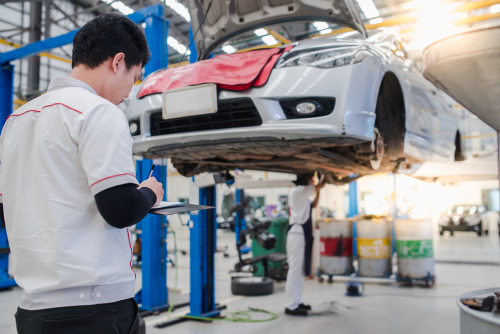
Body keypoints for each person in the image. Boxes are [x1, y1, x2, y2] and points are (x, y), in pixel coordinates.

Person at [0, 13, 162, 334]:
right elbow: (121, 209)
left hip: (34, 313)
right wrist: (149, 193)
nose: (129, 92)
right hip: (95, 309)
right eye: (134, 76)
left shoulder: (16, 120)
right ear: (118, 62)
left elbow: (7, 214)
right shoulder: (98, 111)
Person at [284, 173, 326, 316]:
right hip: (297, 235)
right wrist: (324, 175)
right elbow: (319, 186)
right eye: (310, 179)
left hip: (301, 235)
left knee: (301, 271)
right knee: (295, 270)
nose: (312, 181)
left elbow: (314, 204)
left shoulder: (303, 195)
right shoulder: (299, 191)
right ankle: (290, 305)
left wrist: (318, 187)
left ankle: (297, 301)